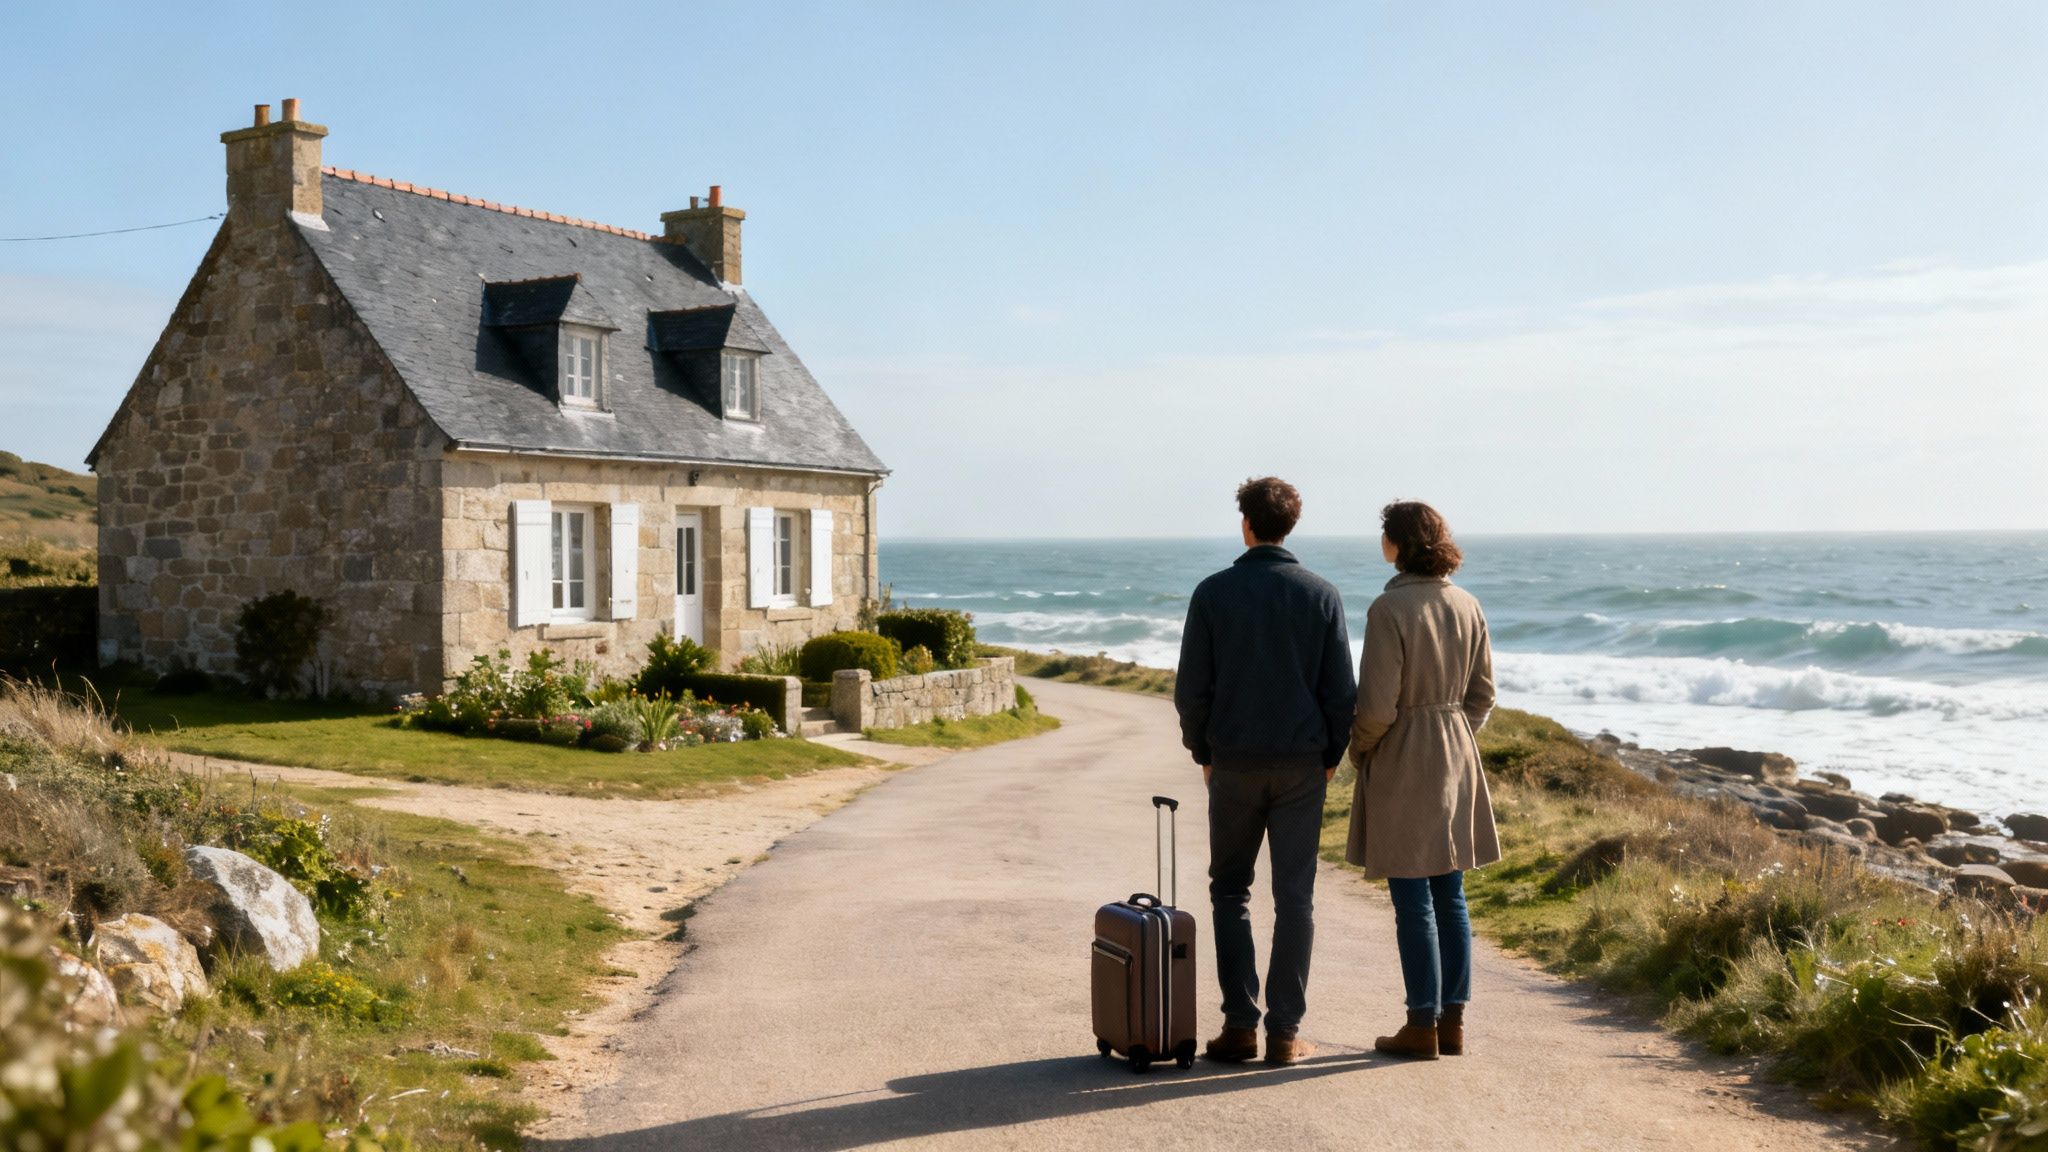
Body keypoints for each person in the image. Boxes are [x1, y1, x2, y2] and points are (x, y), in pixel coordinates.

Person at [1175, 477, 1356, 1066]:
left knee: (1230, 891)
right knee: (1295, 898)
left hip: (1234, 763)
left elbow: (1191, 691)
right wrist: (1330, 756)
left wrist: (1203, 752)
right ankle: (1284, 1032)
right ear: (1289, 526)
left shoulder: (1213, 593)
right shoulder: (1322, 594)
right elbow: (1341, 694)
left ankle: (1238, 1026)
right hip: (1303, 765)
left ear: (1246, 524)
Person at [1346, 500, 1498, 1061]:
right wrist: (1455, 730)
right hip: (1457, 751)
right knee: (1450, 892)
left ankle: (1420, 1024)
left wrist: (1362, 750)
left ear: (1399, 543)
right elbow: (1483, 694)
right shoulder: (1468, 603)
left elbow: (1378, 707)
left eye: (1385, 534)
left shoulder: (1389, 610)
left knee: (1413, 896)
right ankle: (1453, 1022)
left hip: (1406, 753)